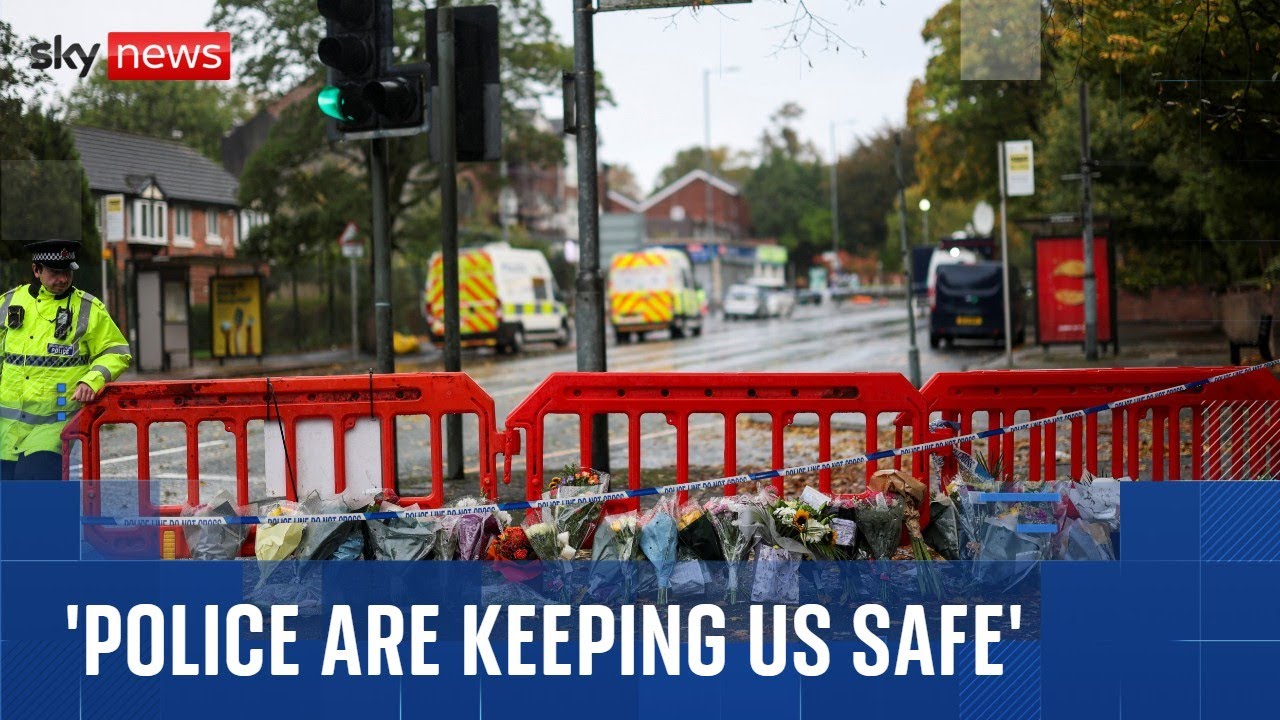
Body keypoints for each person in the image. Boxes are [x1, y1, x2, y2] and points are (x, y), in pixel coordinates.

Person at [0, 239, 132, 480]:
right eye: (55, 272)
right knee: (8, 491)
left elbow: (116, 351)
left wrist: (91, 380)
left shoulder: (88, 308)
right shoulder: (9, 302)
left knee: (34, 480)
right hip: (6, 427)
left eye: (67, 272)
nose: (62, 279)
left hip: (55, 422)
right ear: (36, 270)